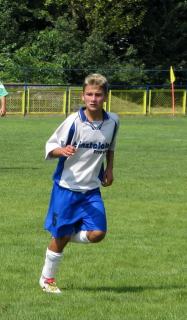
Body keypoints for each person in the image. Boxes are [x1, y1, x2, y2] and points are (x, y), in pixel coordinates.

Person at [39, 74, 119, 293]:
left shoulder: (113, 121)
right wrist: (61, 151)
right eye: (89, 94)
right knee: (62, 237)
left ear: (105, 96)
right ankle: (47, 279)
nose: (93, 99)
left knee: (98, 234)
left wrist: (110, 168)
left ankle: (61, 233)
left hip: (91, 189)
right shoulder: (73, 121)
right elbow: (50, 146)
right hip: (66, 188)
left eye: (98, 95)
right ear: (83, 96)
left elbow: (110, 146)